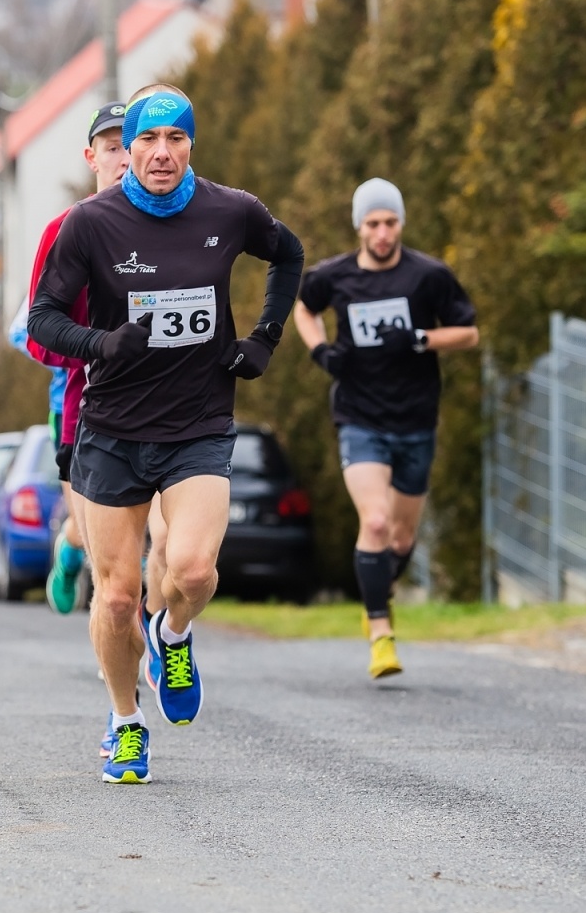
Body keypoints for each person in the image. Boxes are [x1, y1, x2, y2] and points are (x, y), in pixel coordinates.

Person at [29, 85, 304, 784]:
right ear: (129, 151)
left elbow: (289, 254)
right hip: (113, 429)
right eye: (145, 141)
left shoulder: (230, 210)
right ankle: (126, 724)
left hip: (198, 425)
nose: (158, 154)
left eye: (174, 140)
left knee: (191, 571)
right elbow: (44, 318)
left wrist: (266, 339)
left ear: (189, 146)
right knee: (117, 596)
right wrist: (102, 344)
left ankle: (173, 634)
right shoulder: (91, 224)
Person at [293, 177, 479, 679]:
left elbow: (469, 331)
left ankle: (378, 589)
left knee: (399, 538)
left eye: (390, 222)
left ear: (401, 224)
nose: (381, 232)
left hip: (416, 417)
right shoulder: (333, 275)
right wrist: (321, 351)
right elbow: (304, 306)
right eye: (373, 223)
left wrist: (420, 338)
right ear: (359, 226)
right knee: (373, 522)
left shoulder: (429, 275)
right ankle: (380, 632)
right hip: (359, 416)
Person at [13, 100, 129, 617]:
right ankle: (69, 551)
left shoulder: (180, 227)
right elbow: (34, 335)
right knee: (87, 532)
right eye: (113, 148)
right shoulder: (66, 232)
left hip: (165, 410)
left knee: (160, 547)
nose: (126, 158)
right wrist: (95, 346)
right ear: (92, 157)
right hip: (80, 407)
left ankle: (161, 645)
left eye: (135, 144)